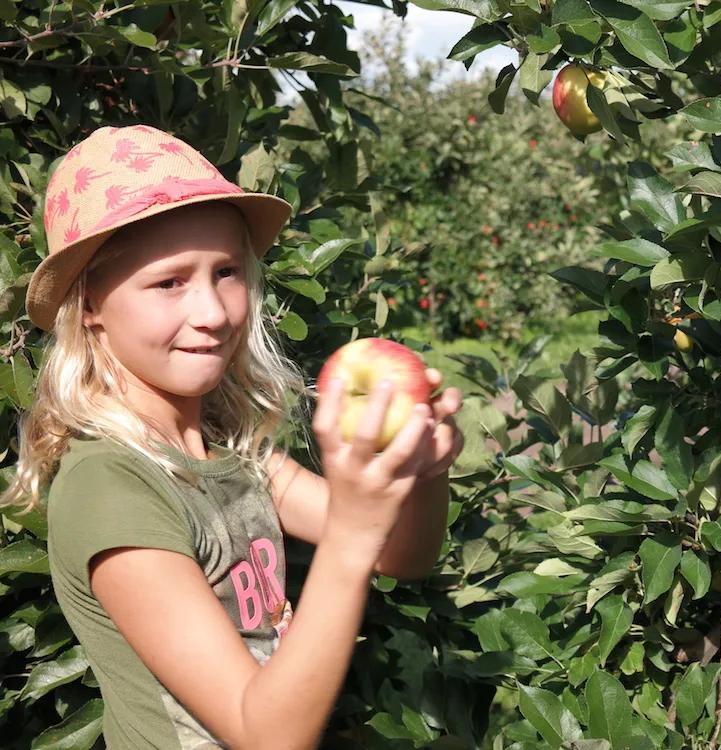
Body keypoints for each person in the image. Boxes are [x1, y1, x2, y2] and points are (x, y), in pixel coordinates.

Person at [0, 125, 464, 748]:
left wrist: (424, 470)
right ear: (90, 305)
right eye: (169, 282)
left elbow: (401, 555)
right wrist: (353, 531)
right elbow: (266, 734)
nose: (214, 313)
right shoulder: (111, 489)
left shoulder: (232, 451)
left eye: (226, 272)